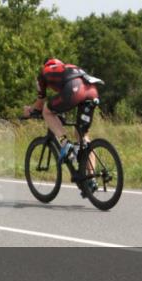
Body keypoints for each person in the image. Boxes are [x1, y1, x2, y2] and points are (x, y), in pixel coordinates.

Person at [24, 58, 101, 194]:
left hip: (75, 89)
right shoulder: (68, 68)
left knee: (47, 111)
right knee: (82, 135)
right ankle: (90, 179)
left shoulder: (44, 73)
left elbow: (41, 101)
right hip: (92, 90)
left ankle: (65, 144)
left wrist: (30, 110)